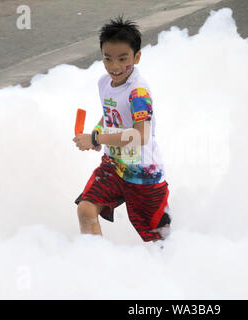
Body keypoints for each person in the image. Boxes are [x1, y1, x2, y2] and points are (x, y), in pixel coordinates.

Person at [72, 16, 171, 242]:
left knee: (159, 241)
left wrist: (97, 139)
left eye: (122, 58)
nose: (114, 66)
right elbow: (110, 113)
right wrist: (97, 131)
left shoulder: (138, 93)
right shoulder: (104, 83)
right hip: (114, 166)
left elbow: (141, 135)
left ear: (137, 57)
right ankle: (98, 264)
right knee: (86, 210)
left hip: (143, 174)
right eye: (108, 59)